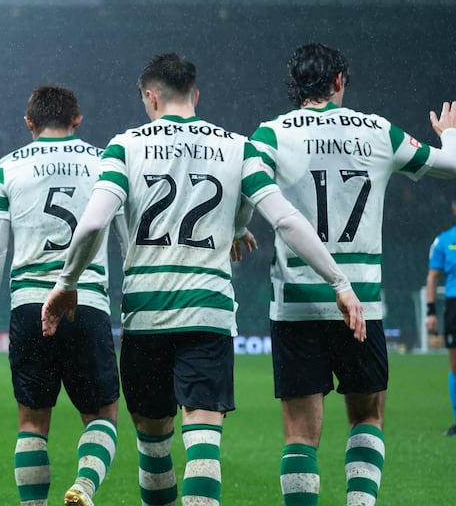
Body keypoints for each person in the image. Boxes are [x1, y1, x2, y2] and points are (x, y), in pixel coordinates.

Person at [42, 53, 365, 506]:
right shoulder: (237, 147)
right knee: (204, 443)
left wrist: (66, 282)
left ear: (150, 97)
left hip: (147, 316)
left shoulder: (125, 146)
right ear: (196, 95)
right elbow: (287, 220)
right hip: (208, 313)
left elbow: (93, 225)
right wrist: (339, 283)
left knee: (154, 448)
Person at [249, 44, 456, 505]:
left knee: (300, 434)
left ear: (295, 85)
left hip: (297, 306)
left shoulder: (271, 135)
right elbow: (452, 165)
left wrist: (240, 228)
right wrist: (452, 135)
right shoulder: (378, 130)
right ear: (339, 81)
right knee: (367, 418)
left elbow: (247, 189)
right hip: (362, 305)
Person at [0, 86, 121, 506]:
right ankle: (84, 486)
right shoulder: (105, 161)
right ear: (78, 120)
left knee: (32, 423)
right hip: (85, 300)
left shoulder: (7, 168)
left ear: (29, 123)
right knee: (101, 416)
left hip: (27, 306)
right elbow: (124, 238)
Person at [426, 198, 456, 437]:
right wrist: (431, 312)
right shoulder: (444, 241)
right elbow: (432, 277)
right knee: (455, 364)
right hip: (453, 304)